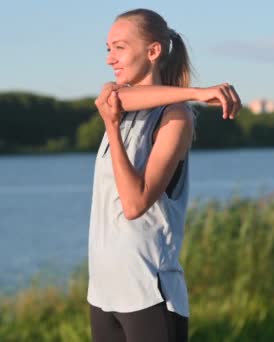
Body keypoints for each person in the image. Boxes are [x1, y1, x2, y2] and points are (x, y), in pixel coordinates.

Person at [87, 8, 242, 342]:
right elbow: (119, 98)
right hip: (102, 294)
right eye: (107, 48)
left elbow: (134, 204)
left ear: (153, 51)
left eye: (119, 47)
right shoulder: (118, 102)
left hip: (148, 293)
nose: (110, 59)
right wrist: (198, 92)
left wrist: (112, 129)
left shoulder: (176, 118)